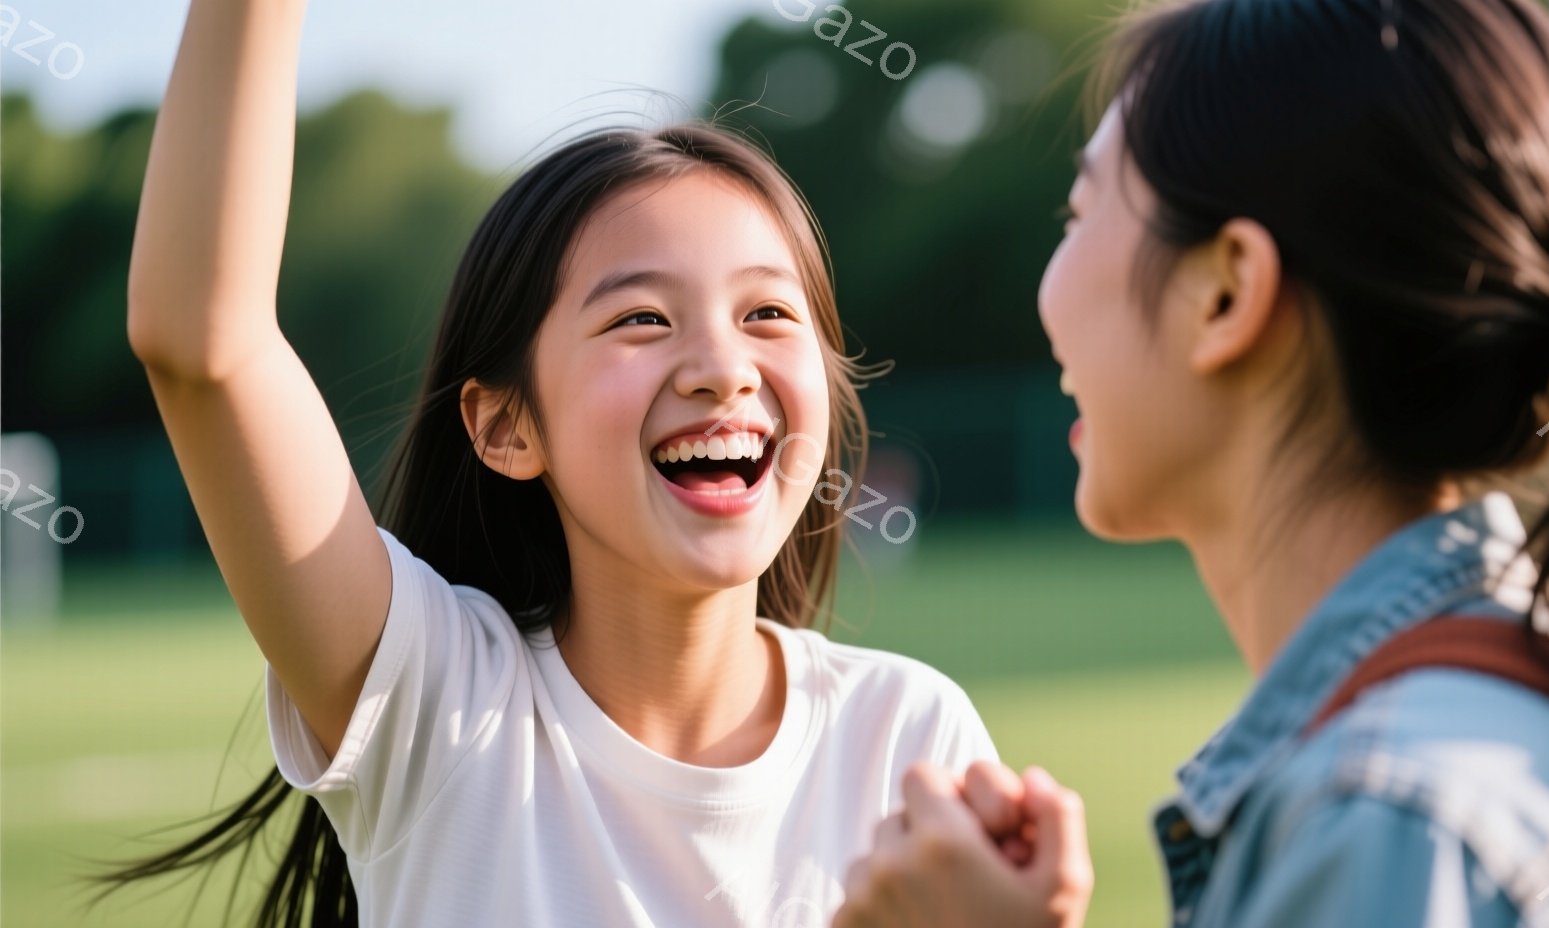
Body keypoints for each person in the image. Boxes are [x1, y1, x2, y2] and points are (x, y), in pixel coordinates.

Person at [97, 0, 996, 924]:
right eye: (641, 318)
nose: (724, 369)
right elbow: (203, 345)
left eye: (766, 314)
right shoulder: (432, 701)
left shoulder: (911, 740)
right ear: (505, 429)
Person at [834, 0, 1549, 925]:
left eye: (1079, 212)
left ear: (1227, 290)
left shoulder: (1384, 819)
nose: (1047, 295)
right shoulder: (1513, 712)